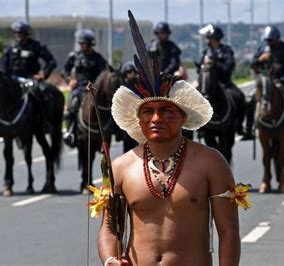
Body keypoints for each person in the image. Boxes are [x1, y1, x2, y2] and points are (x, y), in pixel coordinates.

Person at [99, 71, 242, 265]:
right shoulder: (120, 167)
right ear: (139, 119)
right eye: (148, 111)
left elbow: (229, 231)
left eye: (167, 111)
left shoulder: (211, 162)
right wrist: (109, 259)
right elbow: (109, 229)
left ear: (183, 117)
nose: (157, 119)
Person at [0, 20, 57, 132]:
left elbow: (51, 62)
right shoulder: (10, 48)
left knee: (43, 92)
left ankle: (45, 122)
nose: (18, 35)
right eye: (16, 33)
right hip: (13, 79)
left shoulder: (36, 46)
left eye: (20, 33)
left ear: (26, 34)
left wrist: (43, 74)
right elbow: (3, 64)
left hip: (30, 79)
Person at [63, 29, 109, 147]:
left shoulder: (98, 58)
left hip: (93, 89)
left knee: (108, 104)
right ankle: (70, 132)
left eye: (86, 44)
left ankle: (113, 130)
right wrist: (70, 80)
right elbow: (65, 70)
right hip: (78, 87)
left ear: (91, 44)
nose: (83, 46)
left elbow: (104, 73)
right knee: (72, 102)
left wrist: (95, 86)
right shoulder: (74, 56)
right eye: (81, 44)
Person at [197, 24, 246, 136]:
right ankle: (200, 126)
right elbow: (199, 69)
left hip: (224, 83)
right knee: (194, 98)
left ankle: (239, 126)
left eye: (212, 39)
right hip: (208, 84)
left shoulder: (226, 51)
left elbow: (228, 67)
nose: (210, 41)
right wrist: (202, 65)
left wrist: (215, 63)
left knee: (240, 97)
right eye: (209, 39)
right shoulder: (206, 52)